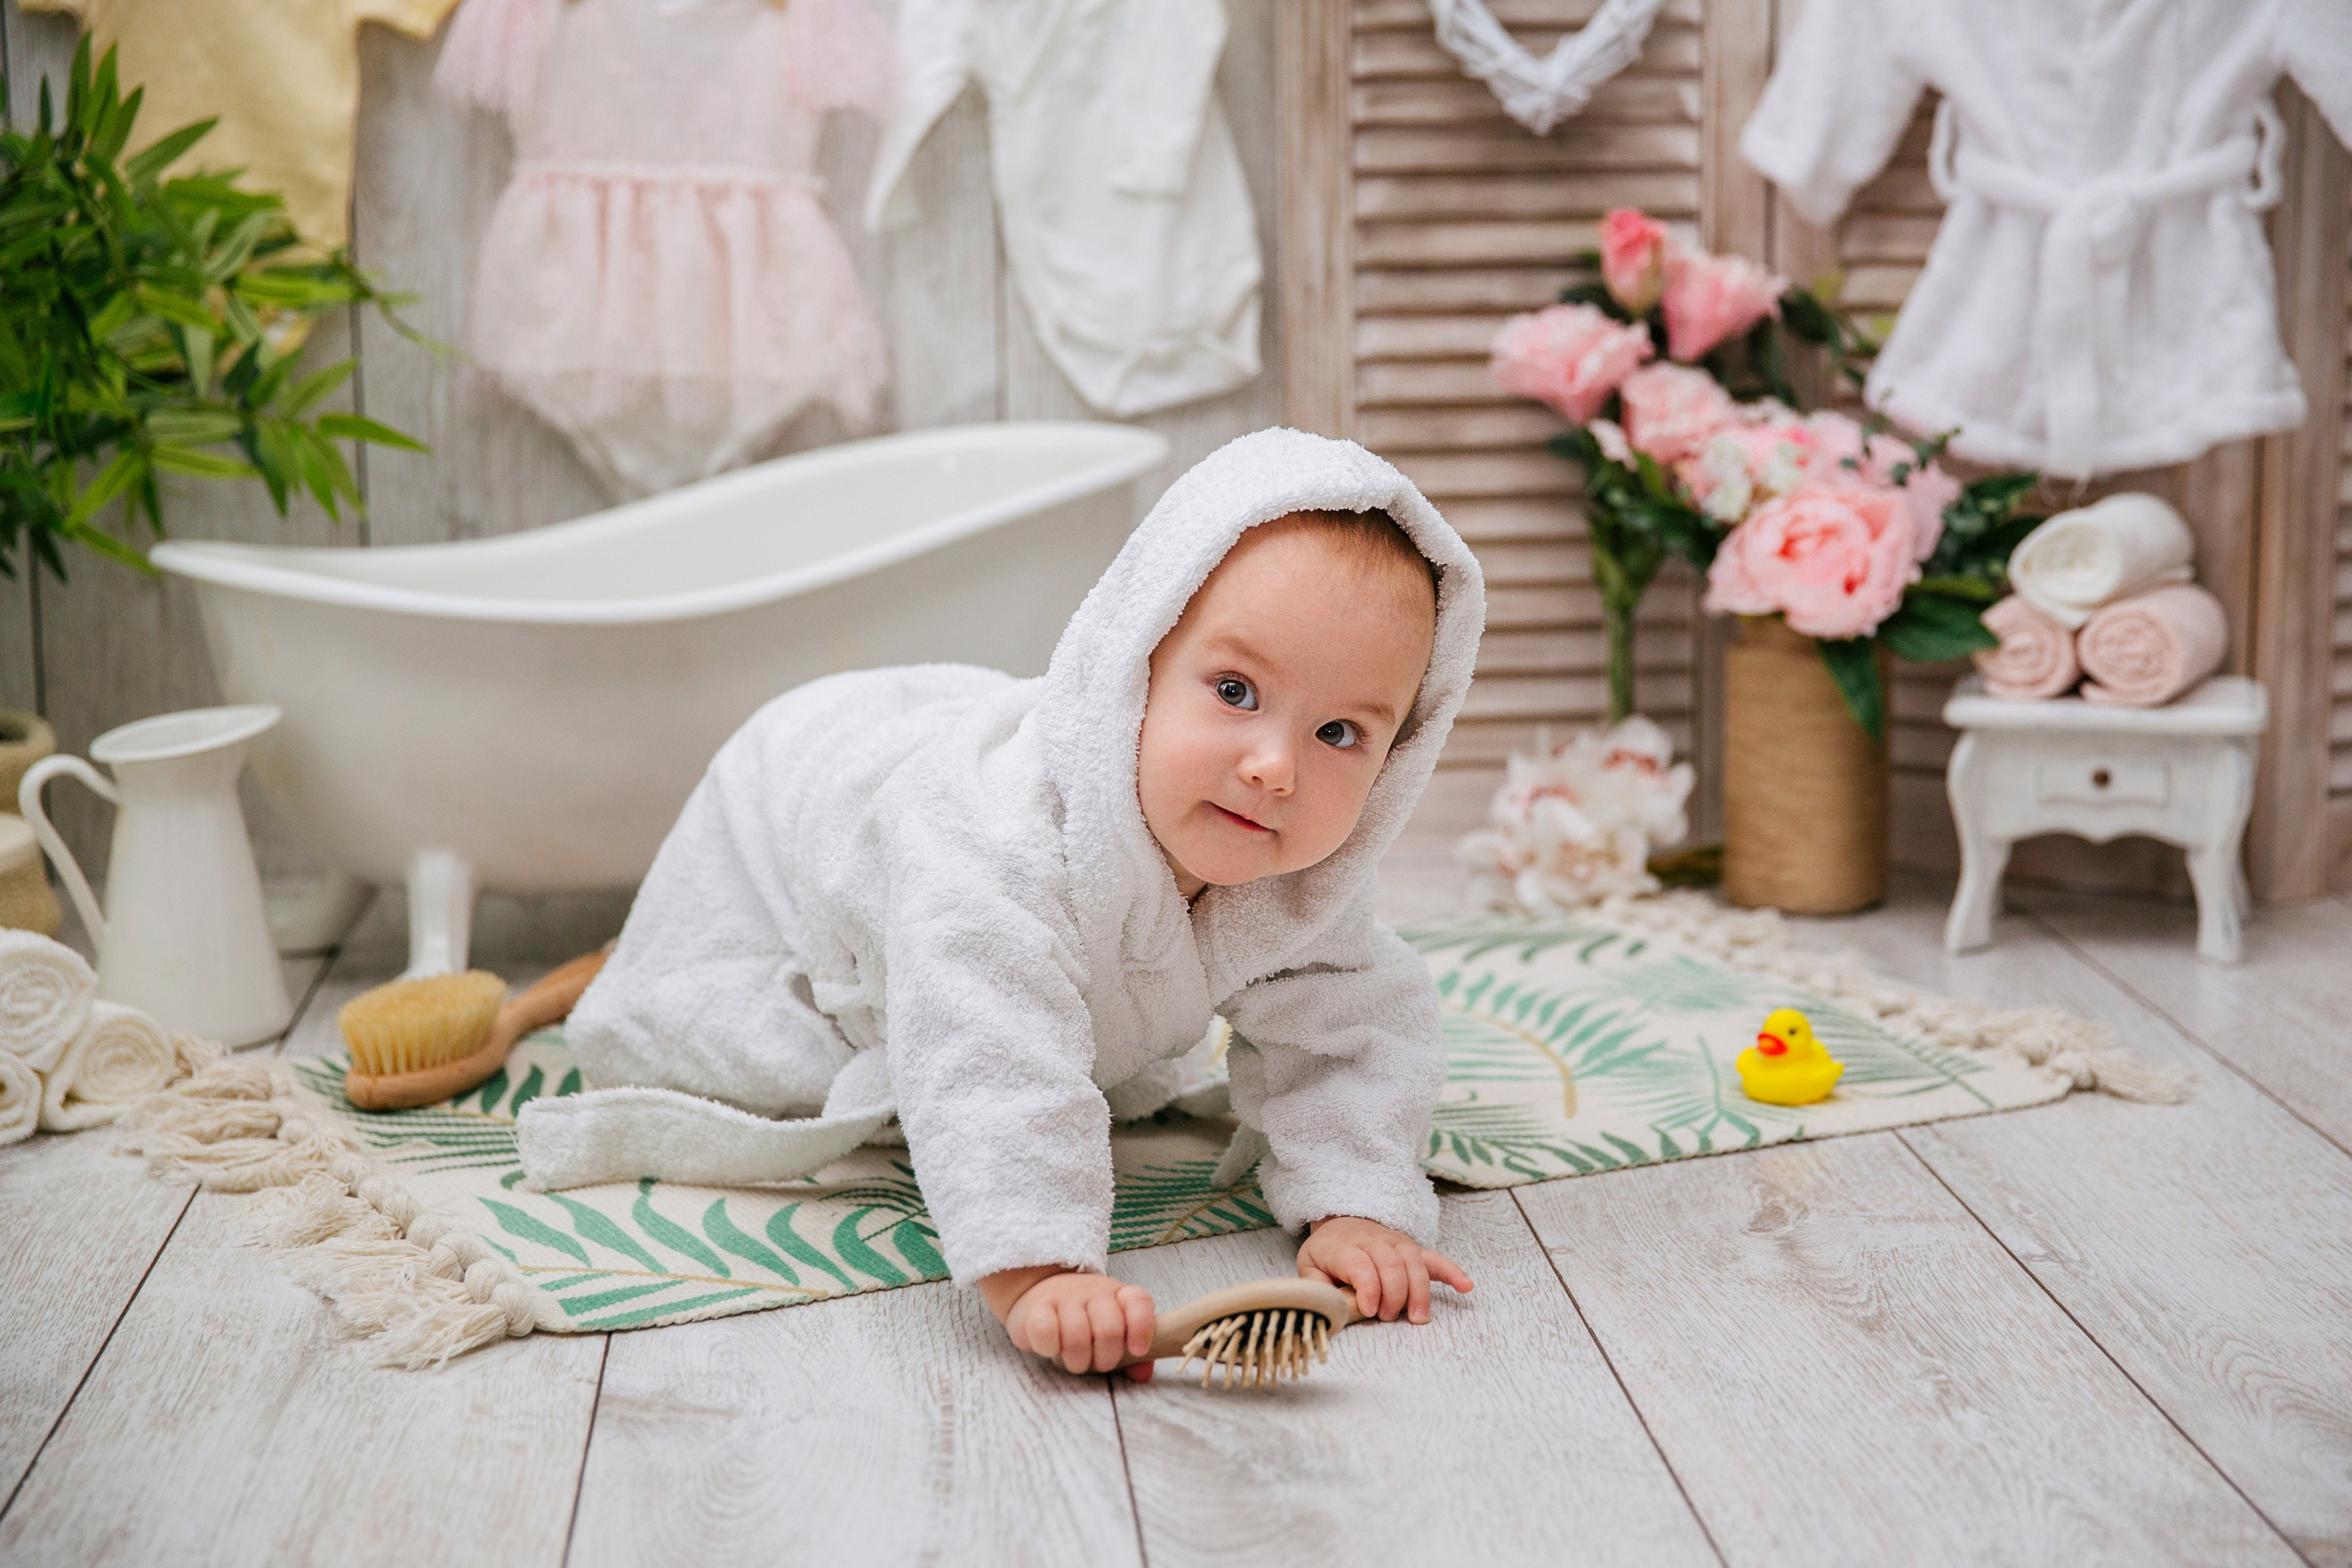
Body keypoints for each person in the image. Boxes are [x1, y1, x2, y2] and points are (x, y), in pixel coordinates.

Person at [516, 427, 1487, 1376]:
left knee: (1056, 1022)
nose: (1274, 766)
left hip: (925, 788)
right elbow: (986, 1044)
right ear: (1137, 658)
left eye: (1339, 733)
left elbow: (1351, 1029)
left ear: (1401, 755)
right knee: (781, 1047)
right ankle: (630, 962)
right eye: (1234, 689)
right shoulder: (993, 852)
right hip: (789, 819)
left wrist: (1356, 1200)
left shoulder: (1300, 884)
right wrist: (1036, 1266)